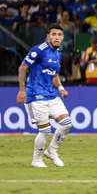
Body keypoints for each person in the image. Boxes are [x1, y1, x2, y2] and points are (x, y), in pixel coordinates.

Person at [16, 24, 72, 168]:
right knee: (45, 130)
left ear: (63, 37)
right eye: (53, 34)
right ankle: (37, 159)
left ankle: (52, 151)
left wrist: (60, 88)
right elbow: (22, 67)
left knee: (67, 124)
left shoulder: (57, 53)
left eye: (59, 35)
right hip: (36, 95)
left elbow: (54, 74)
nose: (57, 37)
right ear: (48, 36)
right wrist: (22, 91)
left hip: (51, 95)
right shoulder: (39, 50)